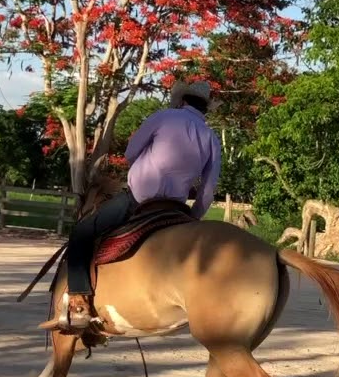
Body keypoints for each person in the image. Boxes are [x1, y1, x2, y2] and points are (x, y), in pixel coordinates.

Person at [38, 80, 223, 333]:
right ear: (205, 109)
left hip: (139, 200)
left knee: (82, 232)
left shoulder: (163, 117)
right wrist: (193, 217)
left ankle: (79, 301)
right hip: (176, 210)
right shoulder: (211, 137)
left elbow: (130, 154)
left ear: (182, 101)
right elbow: (208, 189)